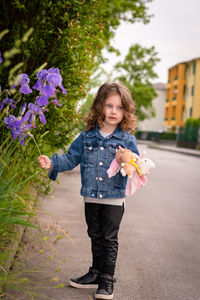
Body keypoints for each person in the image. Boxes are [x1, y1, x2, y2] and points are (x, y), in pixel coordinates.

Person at [38, 82, 139, 300]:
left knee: (109, 238)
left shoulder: (127, 139)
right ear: (99, 106)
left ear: (126, 111)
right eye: (109, 105)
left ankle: (107, 279)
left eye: (120, 107)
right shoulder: (87, 137)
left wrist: (126, 162)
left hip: (114, 198)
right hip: (91, 196)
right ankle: (95, 273)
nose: (114, 111)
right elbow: (71, 158)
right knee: (95, 235)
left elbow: (136, 167)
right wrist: (52, 164)